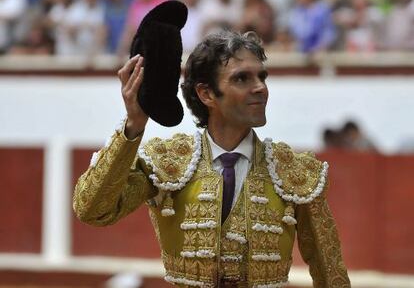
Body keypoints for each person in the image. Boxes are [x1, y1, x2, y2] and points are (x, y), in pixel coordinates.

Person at [73, 30, 350, 287]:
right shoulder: (168, 162)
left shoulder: (294, 171)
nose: (260, 88)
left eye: (262, 77)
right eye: (242, 78)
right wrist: (133, 126)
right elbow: (93, 210)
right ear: (206, 94)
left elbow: (331, 273)